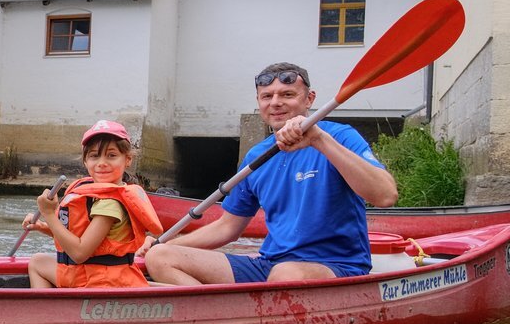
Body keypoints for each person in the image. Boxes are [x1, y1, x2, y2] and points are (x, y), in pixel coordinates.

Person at [139, 62, 398, 285]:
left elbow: (385, 196)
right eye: (267, 96)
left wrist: (319, 139)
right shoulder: (257, 157)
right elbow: (227, 227)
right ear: (259, 103)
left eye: (287, 94)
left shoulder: (339, 137)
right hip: (269, 266)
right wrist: (165, 244)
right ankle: (221, 321)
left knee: (286, 274)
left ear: (309, 99)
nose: (275, 103)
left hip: (336, 266)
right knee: (160, 257)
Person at [22, 120, 162, 289]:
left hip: (99, 281)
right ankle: (51, 312)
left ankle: (46, 314)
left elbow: (79, 253)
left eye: (111, 155)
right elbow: (86, 239)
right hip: (93, 275)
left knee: (38, 263)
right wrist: (44, 227)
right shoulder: (96, 195)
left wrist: (50, 215)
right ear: (85, 161)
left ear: (128, 160)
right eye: (94, 156)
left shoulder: (110, 205)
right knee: (38, 261)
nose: (102, 162)